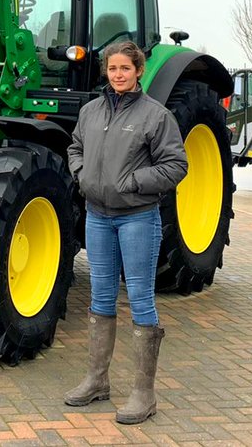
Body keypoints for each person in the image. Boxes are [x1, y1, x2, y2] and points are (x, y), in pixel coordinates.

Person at [64, 40, 188, 425]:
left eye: (125, 69)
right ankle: (97, 380)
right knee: (101, 297)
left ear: (139, 71)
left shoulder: (156, 116)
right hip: (98, 216)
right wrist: (82, 175)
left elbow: (175, 165)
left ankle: (143, 393)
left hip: (137, 218)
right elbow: (75, 148)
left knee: (139, 298)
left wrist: (132, 182)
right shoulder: (90, 111)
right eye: (113, 68)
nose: (118, 75)